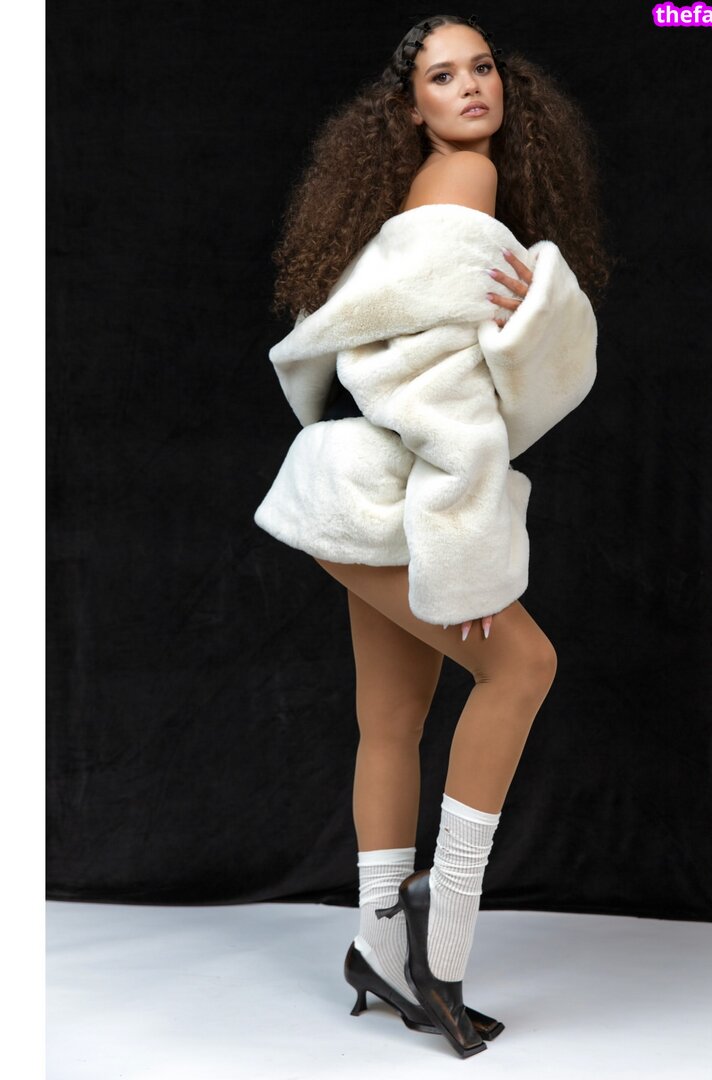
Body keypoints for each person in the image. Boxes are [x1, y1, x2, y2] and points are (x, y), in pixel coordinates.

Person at [255, 13, 611, 1058]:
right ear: (410, 108)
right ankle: (439, 945)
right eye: (443, 77)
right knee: (522, 667)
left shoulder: (424, 192)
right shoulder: (467, 180)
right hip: (390, 495)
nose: (470, 88)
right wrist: (471, 559)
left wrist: (536, 319)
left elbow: (396, 366)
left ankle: (375, 948)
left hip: (349, 486)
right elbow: (447, 401)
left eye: (482, 67)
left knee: (392, 720)